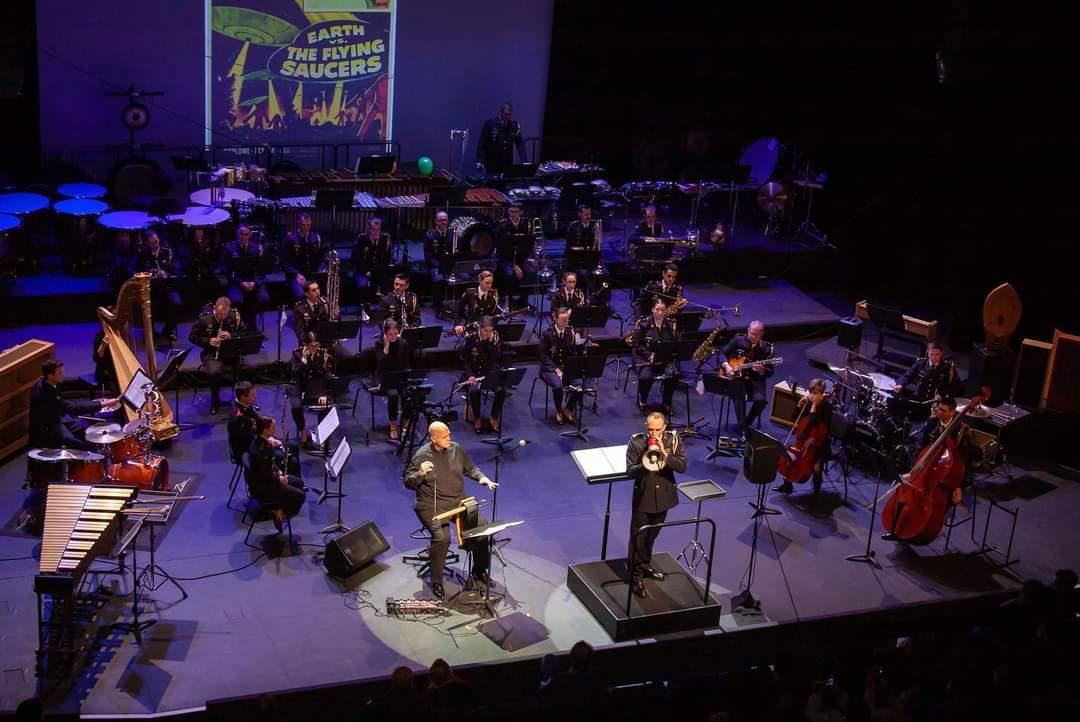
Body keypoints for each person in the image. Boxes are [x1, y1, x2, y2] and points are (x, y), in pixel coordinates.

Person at [403, 422, 497, 599]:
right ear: (434, 438)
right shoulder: (422, 455)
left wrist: (482, 478)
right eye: (445, 436)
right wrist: (420, 474)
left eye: (449, 435)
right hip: (431, 504)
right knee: (442, 537)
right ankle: (437, 580)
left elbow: (470, 468)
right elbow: (408, 482)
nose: (449, 438)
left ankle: (479, 571)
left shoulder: (457, 449)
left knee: (483, 530)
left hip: (458, 500)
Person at [625, 412, 687, 598]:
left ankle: (645, 565)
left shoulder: (672, 440)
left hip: (664, 497)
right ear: (646, 426)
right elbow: (630, 472)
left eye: (657, 430)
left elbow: (682, 466)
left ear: (664, 428)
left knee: (652, 535)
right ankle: (634, 575)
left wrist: (664, 454)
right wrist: (646, 461)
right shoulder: (636, 442)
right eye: (650, 429)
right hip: (644, 497)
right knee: (638, 538)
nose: (653, 433)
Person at [29, 359, 119, 450]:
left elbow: (67, 386)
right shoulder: (47, 394)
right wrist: (103, 404)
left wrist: (84, 383)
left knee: (82, 430)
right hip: (48, 428)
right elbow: (73, 408)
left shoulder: (43, 381)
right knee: (76, 443)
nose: (63, 375)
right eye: (60, 373)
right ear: (50, 375)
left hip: (57, 416)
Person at [774, 378, 833, 499]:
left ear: (822, 394)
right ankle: (787, 485)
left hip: (819, 445)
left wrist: (814, 406)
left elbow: (813, 421)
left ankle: (815, 496)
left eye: (816, 392)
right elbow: (794, 418)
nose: (813, 395)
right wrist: (799, 405)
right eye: (812, 391)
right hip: (803, 441)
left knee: (817, 469)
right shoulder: (808, 403)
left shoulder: (826, 406)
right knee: (789, 457)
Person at [248, 415, 307, 531]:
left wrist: (279, 472)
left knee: (299, 483)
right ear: (265, 430)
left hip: (270, 477)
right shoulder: (262, 450)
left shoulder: (261, 441)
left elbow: (270, 465)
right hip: (264, 486)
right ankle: (280, 513)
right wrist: (279, 479)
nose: (275, 429)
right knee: (301, 496)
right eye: (273, 427)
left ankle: (279, 508)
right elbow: (265, 475)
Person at [189, 296, 246, 414]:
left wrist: (232, 336)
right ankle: (215, 400)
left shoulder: (234, 317)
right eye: (219, 314)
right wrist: (208, 341)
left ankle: (241, 401)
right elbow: (192, 337)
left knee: (243, 368)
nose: (222, 317)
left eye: (225, 315)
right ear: (215, 308)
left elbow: (244, 333)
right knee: (214, 372)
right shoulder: (204, 319)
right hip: (211, 353)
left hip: (230, 352)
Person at [721, 320, 776, 437]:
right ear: (748, 331)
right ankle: (742, 426)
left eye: (756, 335)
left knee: (762, 401)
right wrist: (726, 366)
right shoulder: (738, 340)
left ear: (762, 334)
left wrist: (762, 370)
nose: (753, 336)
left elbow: (770, 371)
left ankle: (747, 422)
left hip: (755, 380)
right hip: (737, 379)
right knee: (739, 397)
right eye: (751, 333)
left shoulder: (767, 349)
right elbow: (722, 352)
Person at [129, 230, 182, 341]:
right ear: (147, 244)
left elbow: (177, 270)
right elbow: (132, 270)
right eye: (152, 243)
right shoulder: (142, 255)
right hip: (150, 290)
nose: (155, 245)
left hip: (167, 288)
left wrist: (166, 274)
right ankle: (150, 332)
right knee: (147, 304)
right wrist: (146, 275)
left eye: (156, 242)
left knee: (177, 303)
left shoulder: (168, 253)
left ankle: (168, 330)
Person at [460, 316, 505, 433]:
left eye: (491, 331)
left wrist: (490, 345)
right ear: (480, 328)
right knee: (474, 391)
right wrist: (470, 375)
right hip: (473, 373)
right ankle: (477, 418)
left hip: (489, 373)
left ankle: (494, 417)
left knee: (501, 390)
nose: (488, 333)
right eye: (485, 331)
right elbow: (465, 361)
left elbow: (496, 359)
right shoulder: (471, 339)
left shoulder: (495, 339)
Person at [219, 225, 269, 331]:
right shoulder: (228, 248)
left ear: (250, 235)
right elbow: (226, 270)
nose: (243, 236)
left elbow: (261, 269)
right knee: (237, 300)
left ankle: (252, 327)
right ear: (237, 234)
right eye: (241, 234)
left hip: (252, 282)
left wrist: (254, 283)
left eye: (246, 234)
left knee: (261, 298)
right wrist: (241, 283)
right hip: (236, 282)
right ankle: (237, 327)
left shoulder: (256, 248)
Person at [633, 300, 678, 414]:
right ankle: (643, 401)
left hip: (663, 359)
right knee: (646, 377)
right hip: (645, 358)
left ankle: (666, 403)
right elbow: (637, 344)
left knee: (673, 375)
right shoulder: (644, 324)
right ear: (653, 309)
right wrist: (649, 355)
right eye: (657, 309)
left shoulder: (669, 325)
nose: (659, 312)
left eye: (662, 310)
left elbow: (673, 344)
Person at [539, 307, 582, 425]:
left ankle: (568, 409)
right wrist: (556, 369)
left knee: (580, 385)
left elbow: (572, 353)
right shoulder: (547, 334)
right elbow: (543, 357)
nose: (565, 323)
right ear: (555, 318)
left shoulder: (570, 332)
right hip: (549, 369)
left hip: (566, 367)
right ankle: (558, 410)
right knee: (558, 386)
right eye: (562, 320)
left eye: (567, 320)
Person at [290, 333, 334, 446]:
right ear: (306, 345)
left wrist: (323, 393)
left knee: (326, 404)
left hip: (315, 387)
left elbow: (326, 375)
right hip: (299, 385)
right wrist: (304, 360)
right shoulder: (296, 354)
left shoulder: (323, 354)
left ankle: (322, 433)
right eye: (312, 346)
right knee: (296, 406)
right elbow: (295, 373)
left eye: (317, 345)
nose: (315, 348)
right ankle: (302, 430)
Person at [374, 319, 412, 441]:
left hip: (400, 377)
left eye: (395, 333)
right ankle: (393, 426)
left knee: (408, 394)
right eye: (390, 334)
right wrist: (386, 346)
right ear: (385, 334)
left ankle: (405, 425)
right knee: (393, 395)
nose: (393, 336)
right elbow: (381, 363)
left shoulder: (404, 343)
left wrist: (406, 376)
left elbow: (407, 364)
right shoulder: (379, 344)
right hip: (385, 379)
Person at [894, 341, 960, 403]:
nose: (934, 357)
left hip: (936, 401)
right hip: (918, 397)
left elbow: (954, 386)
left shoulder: (948, 368)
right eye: (931, 354)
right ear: (927, 352)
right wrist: (901, 384)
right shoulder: (920, 363)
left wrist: (942, 395)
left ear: (941, 353)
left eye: (937, 354)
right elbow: (908, 376)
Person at [496, 203, 533, 311]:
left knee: (530, 271)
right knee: (510, 274)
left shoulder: (527, 225)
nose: (513, 214)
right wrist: (515, 265)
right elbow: (502, 249)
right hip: (507, 259)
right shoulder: (503, 226)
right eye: (511, 212)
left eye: (515, 212)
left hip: (523, 258)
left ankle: (523, 301)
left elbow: (529, 244)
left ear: (521, 212)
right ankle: (509, 301)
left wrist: (531, 258)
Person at [281, 213, 326, 300]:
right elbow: (284, 261)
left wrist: (320, 270)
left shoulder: (316, 237)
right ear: (298, 223)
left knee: (323, 293)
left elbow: (321, 256)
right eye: (303, 225)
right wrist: (296, 274)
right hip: (296, 275)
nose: (306, 228)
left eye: (308, 225)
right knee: (301, 295)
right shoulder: (290, 238)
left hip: (313, 274)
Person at [475, 101, 526, 175]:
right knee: (492, 184)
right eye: (506, 114)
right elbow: (482, 144)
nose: (508, 117)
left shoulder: (514, 126)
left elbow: (520, 145)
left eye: (509, 114)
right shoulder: (490, 124)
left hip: (507, 164)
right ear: (501, 113)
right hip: (493, 163)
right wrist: (479, 161)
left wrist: (524, 162)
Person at [424, 210, 454, 317]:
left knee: (466, 276)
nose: (443, 222)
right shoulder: (430, 235)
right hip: (436, 265)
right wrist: (439, 265)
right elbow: (428, 256)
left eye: (445, 220)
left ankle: (457, 307)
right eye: (440, 220)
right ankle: (438, 307)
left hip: (450, 265)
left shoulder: (453, 234)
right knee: (438, 278)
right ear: (436, 221)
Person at [352, 216, 393, 295]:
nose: (376, 232)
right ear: (368, 229)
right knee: (363, 284)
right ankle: (365, 303)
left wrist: (379, 273)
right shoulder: (361, 240)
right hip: (363, 271)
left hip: (379, 271)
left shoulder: (385, 239)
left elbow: (386, 259)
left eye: (378, 230)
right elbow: (355, 260)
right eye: (373, 230)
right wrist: (367, 272)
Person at [454, 270, 499, 336]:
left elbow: (494, 313)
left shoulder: (493, 295)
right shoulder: (470, 293)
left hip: (487, 328)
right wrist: (458, 324)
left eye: (491, 283)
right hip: (471, 327)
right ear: (480, 281)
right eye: (487, 283)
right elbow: (459, 310)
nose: (489, 286)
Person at [292, 279, 331, 346]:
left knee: (345, 355)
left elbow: (331, 324)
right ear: (307, 294)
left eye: (318, 288)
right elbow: (299, 331)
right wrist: (309, 341)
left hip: (325, 341)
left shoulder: (325, 303)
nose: (317, 292)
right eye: (313, 290)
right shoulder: (299, 308)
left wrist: (336, 315)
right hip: (309, 343)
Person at [227, 380, 259, 462]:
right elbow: (246, 439)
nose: (255, 397)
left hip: (254, 439)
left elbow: (256, 421)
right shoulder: (238, 417)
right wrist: (267, 440)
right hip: (244, 449)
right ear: (243, 397)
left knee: (291, 447)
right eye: (252, 395)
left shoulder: (245, 404)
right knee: (284, 457)